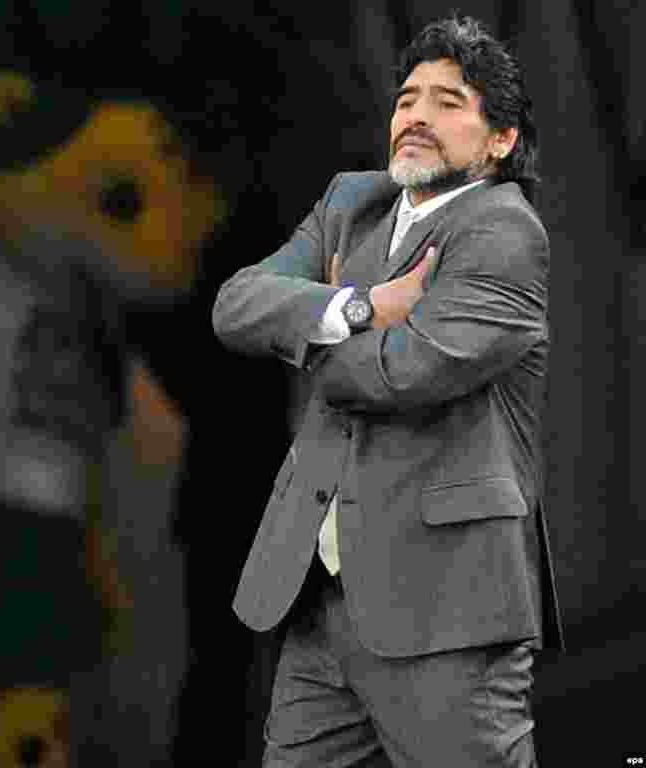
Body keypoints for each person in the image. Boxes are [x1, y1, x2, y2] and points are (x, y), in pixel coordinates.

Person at [212, 16, 563, 767]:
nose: (417, 116)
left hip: (447, 613)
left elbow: (402, 374)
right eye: (408, 100)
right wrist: (359, 308)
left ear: (498, 141)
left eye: (448, 103)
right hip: (320, 601)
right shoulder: (351, 202)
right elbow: (237, 304)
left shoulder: (504, 230)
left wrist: (307, 339)